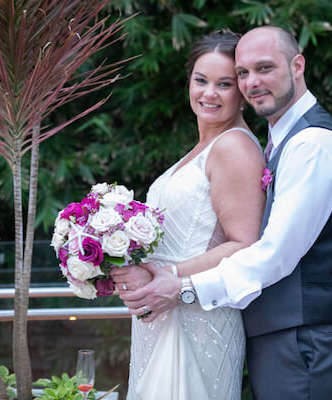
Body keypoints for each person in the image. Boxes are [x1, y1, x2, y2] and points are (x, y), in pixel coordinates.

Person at [119, 25, 332, 400]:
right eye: (245, 73)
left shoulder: (311, 145)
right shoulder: (280, 143)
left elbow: (272, 253)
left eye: (264, 68)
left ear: (297, 65)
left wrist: (181, 287)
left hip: (305, 337)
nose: (253, 82)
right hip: (278, 332)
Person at [110, 29, 265, 400]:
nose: (209, 93)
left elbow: (245, 244)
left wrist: (170, 276)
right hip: (162, 312)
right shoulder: (203, 147)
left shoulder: (234, 148)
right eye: (201, 80)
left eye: (224, 84)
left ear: (241, 91)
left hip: (197, 318)